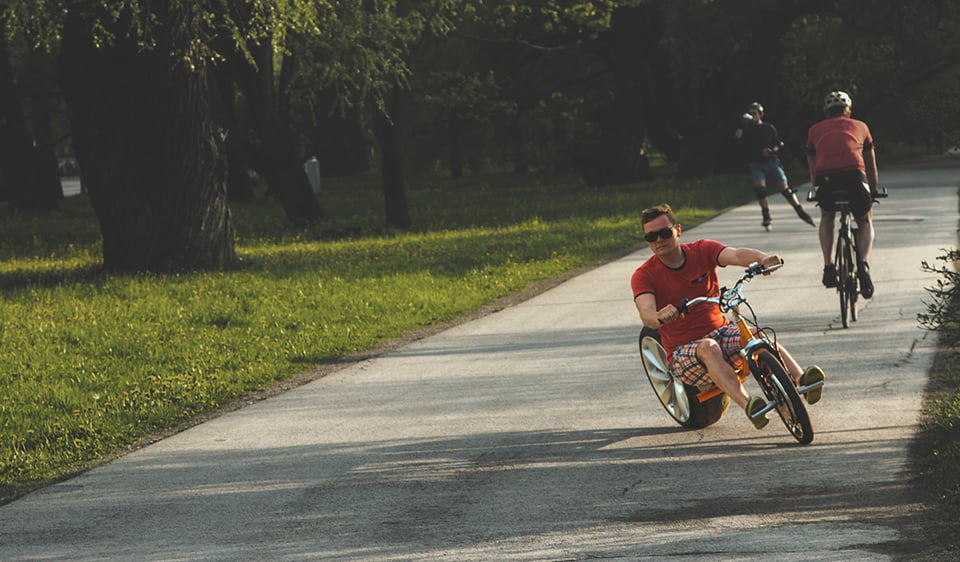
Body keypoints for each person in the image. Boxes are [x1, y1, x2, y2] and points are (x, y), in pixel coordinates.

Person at [631, 203, 824, 429]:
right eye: (651, 237)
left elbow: (735, 254)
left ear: (678, 230)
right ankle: (751, 406)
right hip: (684, 351)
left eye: (664, 233)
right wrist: (659, 316)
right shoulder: (644, 275)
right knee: (708, 347)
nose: (659, 240)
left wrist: (763, 259)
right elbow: (646, 314)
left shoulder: (702, 250)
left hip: (721, 332)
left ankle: (803, 381)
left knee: (756, 336)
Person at [805, 91, 880, 298]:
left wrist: (816, 189)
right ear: (848, 110)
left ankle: (829, 266)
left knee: (827, 216)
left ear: (826, 112)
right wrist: (872, 190)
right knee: (865, 220)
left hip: (826, 180)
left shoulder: (814, 130)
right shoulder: (861, 126)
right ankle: (863, 265)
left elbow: (812, 165)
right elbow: (870, 163)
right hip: (854, 177)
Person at [735, 102, 815, 231]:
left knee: (785, 190)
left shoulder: (768, 128)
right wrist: (741, 125)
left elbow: (778, 143)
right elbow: (738, 138)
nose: (752, 116)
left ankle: (800, 212)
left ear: (760, 114)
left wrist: (772, 150)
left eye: (754, 113)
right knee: (760, 189)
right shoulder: (747, 129)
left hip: (771, 162)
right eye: (751, 113)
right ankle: (766, 216)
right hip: (756, 163)